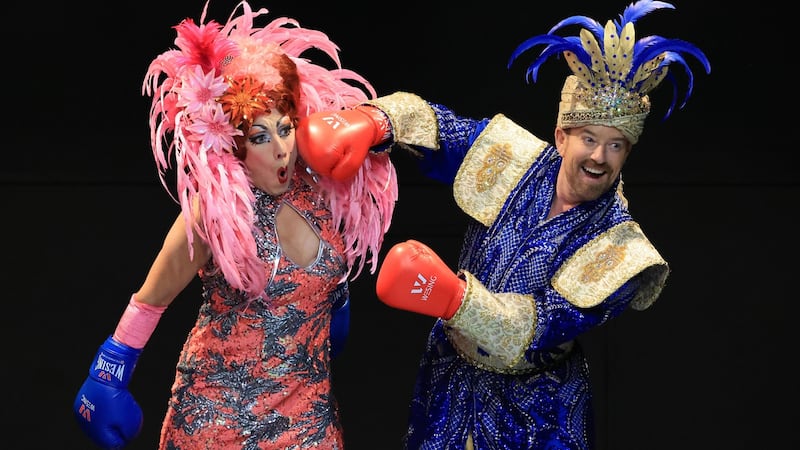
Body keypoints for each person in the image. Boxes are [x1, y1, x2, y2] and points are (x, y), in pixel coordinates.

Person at [295, 1, 711, 448]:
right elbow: (443, 129)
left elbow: (541, 326)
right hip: (450, 386)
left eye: (615, 146)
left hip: (537, 415)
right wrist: (372, 121)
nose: (599, 157)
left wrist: (453, 296)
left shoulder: (623, 251)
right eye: (589, 139)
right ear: (561, 136)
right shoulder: (517, 160)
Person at [72, 1, 398, 448]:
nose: (281, 149)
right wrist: (106, 374)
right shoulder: (216, 210)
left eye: (285, 129)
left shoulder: (321, 190)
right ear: (232, 144)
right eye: (260, 137)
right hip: (218, 418)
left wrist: (335, 306)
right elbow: (150, 301)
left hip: (308, 417)